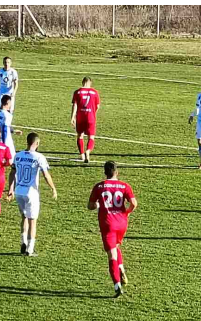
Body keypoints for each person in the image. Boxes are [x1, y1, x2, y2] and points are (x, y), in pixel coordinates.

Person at [88, 161, 138, 298]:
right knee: (116, 247)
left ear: (105, 172)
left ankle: (117, 285)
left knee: (112, 255)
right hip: (122, 223)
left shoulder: (99, 186)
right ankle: (121, 267)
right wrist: (126, 213)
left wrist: (98, 205)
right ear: (117, 172)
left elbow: (90, 205)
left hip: (108, 223)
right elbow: (134, 203)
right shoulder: (124, 186)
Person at [8, 133, 57, 257]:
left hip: (19, 191)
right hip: (31, 192)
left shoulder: (18, 156)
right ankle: (30, 249)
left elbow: (12, 173)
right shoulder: (39, 157)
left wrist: (10, 189)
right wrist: (53, 188)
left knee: (24, 217)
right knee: (32, 221)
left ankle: (23, 242)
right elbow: (46, 175)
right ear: (37, 143)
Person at [71, 77, 101, 163]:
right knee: (91, 137)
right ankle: (88, 151)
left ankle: (82, 155)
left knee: (80, 135)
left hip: (80, 117)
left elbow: (75, 105)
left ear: (83, 82)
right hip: (91, 117)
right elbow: (98, 106)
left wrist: (73, 117)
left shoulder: (77, 92)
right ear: (90, 83)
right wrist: (93, 112)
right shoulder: (95, 92)